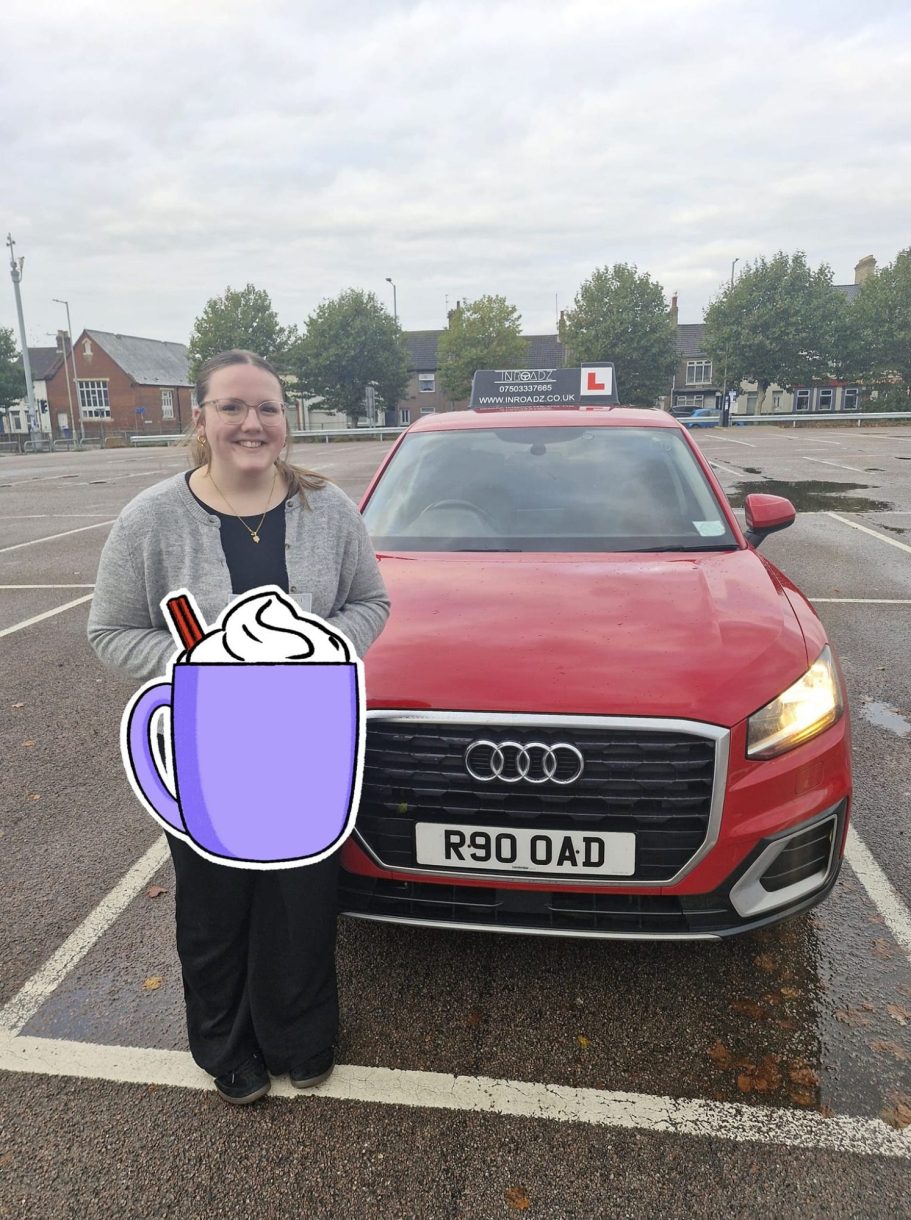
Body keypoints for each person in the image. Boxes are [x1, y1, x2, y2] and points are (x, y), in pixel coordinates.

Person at [87, 349, 390, 1104]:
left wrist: (323, 648)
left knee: (302, 902)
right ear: (202, 419)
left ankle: (301, 1036)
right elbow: (110, 630)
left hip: (308, 743)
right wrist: (199, 663)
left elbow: (370, 602)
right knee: (214, 907)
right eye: (232, 407)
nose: (251, 423)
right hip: (211, 746)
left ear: (286, 420)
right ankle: (225, 1046)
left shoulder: (329, 510)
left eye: (267, 408)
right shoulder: (152, 519)